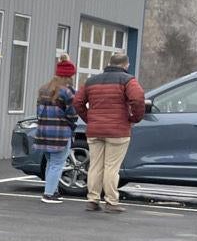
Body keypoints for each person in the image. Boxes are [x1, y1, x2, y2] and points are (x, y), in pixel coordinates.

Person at [73, 50, 146, 213]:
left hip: (95, 130)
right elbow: (138, 98)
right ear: (126, 64)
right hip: (118, 131)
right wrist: (134, 118)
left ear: (109, 63)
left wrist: (89, 119)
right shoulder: (128, 80)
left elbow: (77, 102)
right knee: (111, 167)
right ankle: (111, 202)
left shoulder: (92, 80)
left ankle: (92, 200)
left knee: (95, 166)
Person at [32, 55, 80, 203]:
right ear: (69, 76)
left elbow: (38, 112)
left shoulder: (43, 89)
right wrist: (72, 124)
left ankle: (53, 190)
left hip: (43, 132)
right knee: (57, 163)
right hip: (60, 133)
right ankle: (48, 194)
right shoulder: (67, 92)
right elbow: (73, 113)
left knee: (51, 163)